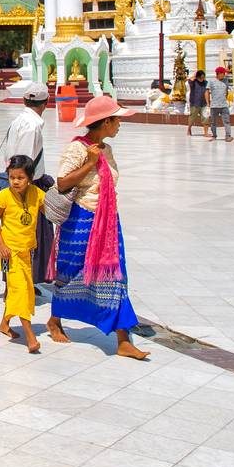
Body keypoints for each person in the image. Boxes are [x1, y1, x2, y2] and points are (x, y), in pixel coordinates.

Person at [47, 95, 148, 360]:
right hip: (81, 220)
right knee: (70, 271)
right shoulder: (78, 149)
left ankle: (123, 339)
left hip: (108, 222)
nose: (119, 125)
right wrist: (90, 164)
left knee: (115, 276)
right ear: (105, 123)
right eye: (116, 121)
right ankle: (55, 320)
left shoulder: (107, 149)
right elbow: (63, 182)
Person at [1, 82, 55, 284]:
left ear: (25, 100)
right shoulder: (32, 127)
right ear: (47, 102)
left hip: (20, 185)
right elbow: (24, 162)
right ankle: (20, 280)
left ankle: (22, 279)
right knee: (28, 234)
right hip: (26, 188)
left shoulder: (19, 121)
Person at [0, 154, 44, 353]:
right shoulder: (4, 196)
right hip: (9, 254)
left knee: (21, 290)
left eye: (20, 177)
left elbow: (50, 211)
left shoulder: (37, 194)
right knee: (20, 291)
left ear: (30, 177)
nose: (15, 181)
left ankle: (5, 324)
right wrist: (1, 245)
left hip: (27, 252)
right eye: (12, 177)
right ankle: (30, 337)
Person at [207, 66, 234, 142]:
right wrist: (208, 102)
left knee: (227, 121)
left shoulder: (226, 81)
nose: (224, 75)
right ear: (218, 73)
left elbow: (226, 91)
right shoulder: (211, 81)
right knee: (213, 122)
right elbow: (207, 92)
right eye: (223, 73)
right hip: (214, 105)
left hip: (224, 105)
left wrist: (224, 98)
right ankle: (214, 136)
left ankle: (228, 136)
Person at [186, 70, 207, 135]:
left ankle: (206, 132)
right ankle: (189, 129)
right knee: (192, 117)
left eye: (203, 77)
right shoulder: (193, 82)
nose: (202, 79)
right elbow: (189, 80)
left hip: (204, 103)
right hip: (195, 103)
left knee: (206, 117)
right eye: (200, 77)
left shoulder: (205, 82)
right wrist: (194, 75)